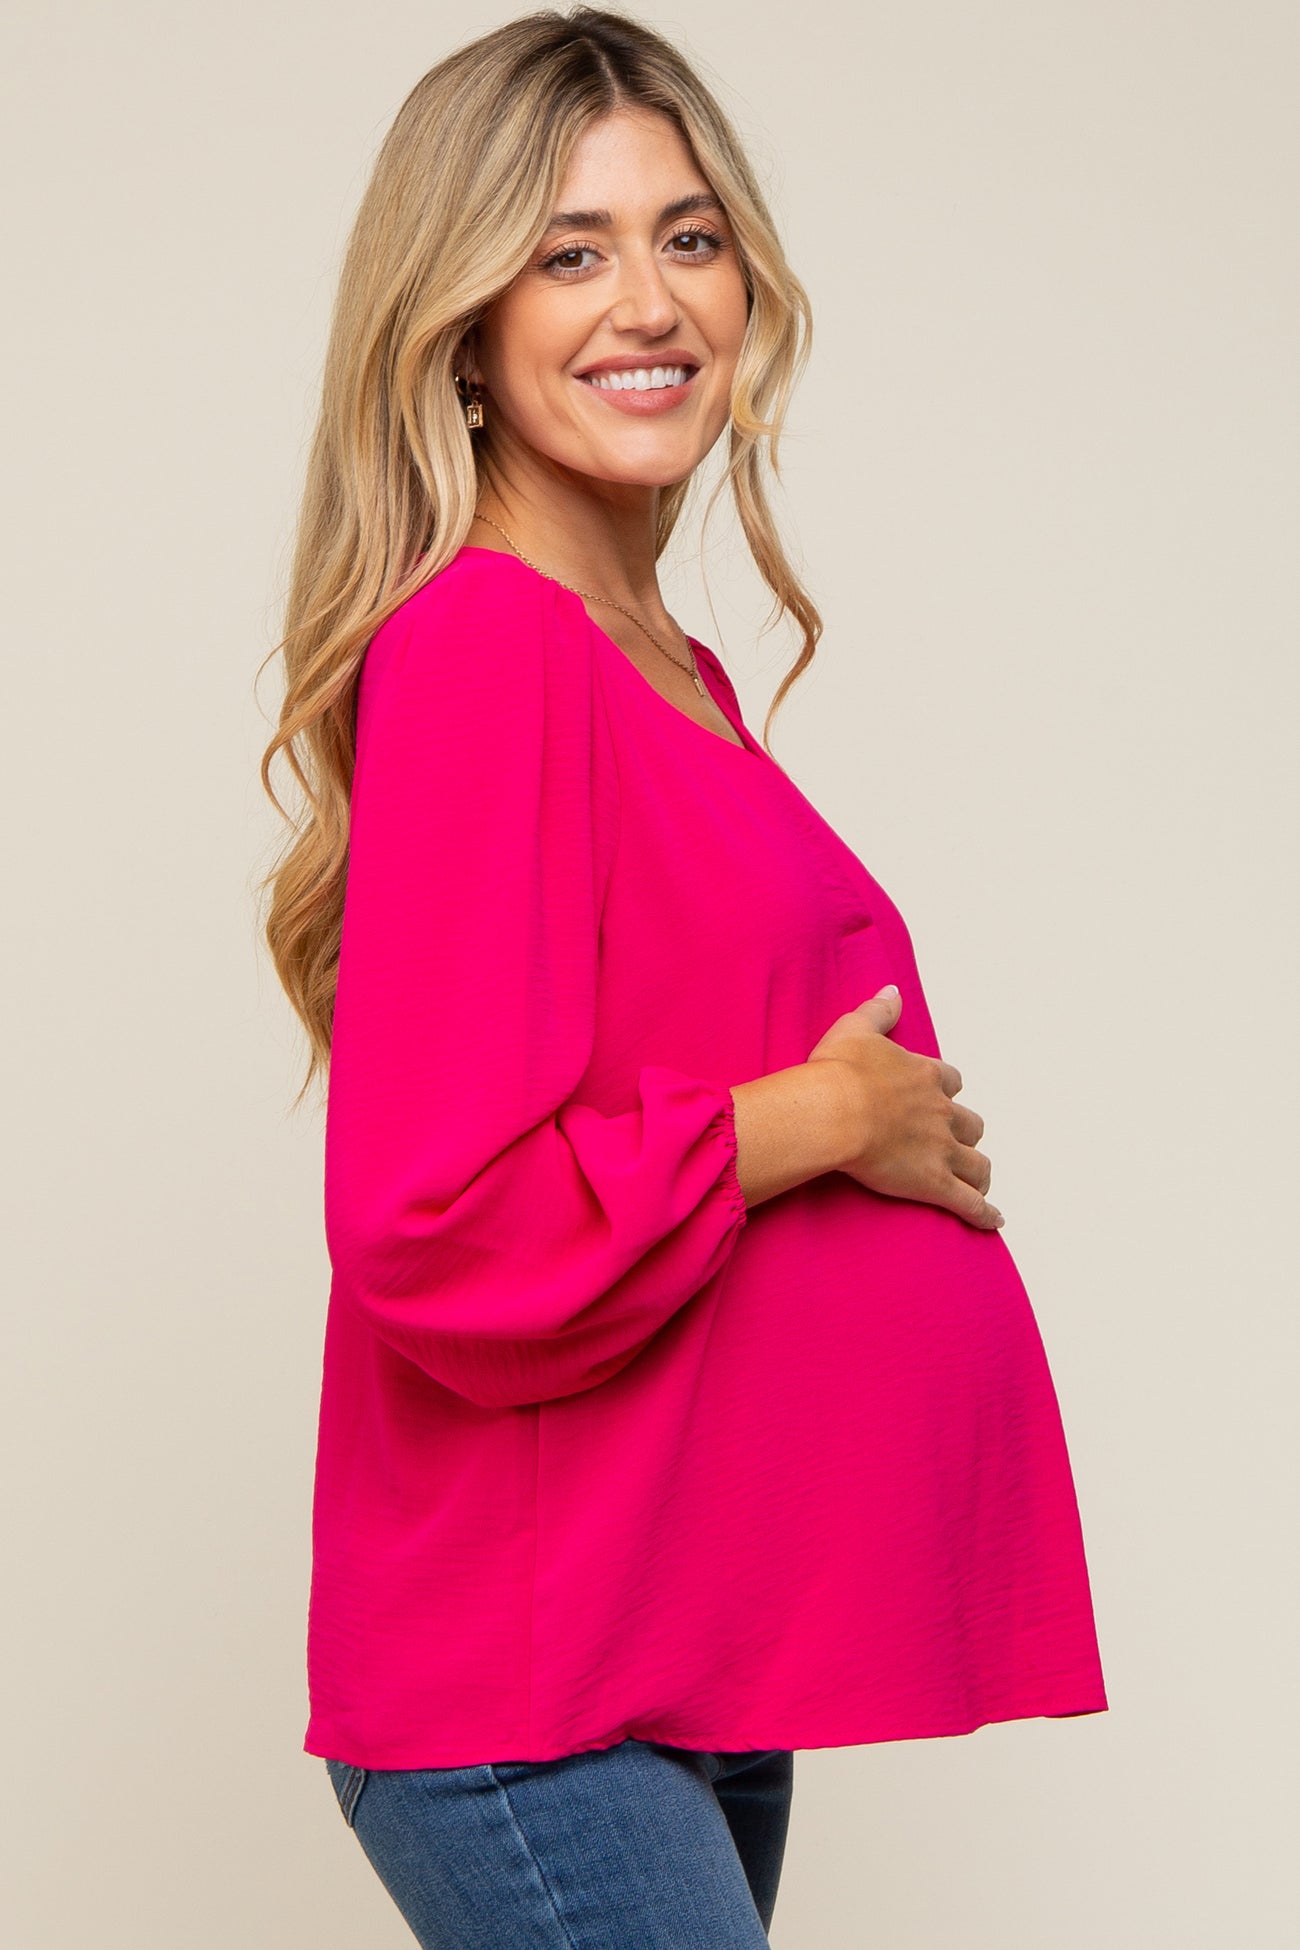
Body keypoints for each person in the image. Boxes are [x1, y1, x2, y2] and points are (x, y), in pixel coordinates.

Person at [258, 8, 1108, 1945]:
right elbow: (428, 1218)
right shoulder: (491, 649)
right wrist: (820, 1117)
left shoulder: (655, 659)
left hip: (672, 1650)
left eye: (689, 237)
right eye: (568, 251)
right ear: (461, 325)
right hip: (535, 1695)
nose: (647, 301)